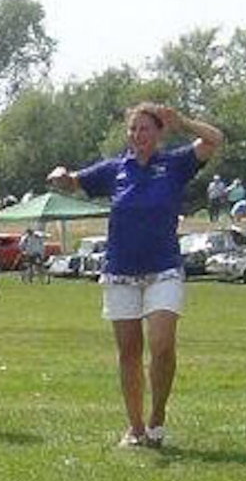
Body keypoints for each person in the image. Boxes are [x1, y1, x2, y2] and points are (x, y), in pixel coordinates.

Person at [48, 101, 224, 448]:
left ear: (158, 132)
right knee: (129, 351)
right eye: (133, 129)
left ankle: (157, 416)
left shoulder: (174, 164)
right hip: (121, 270)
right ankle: (136, 427)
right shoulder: (116, 169)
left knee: (161, 345)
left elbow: (214, 140)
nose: (138, 135)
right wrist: (61, 175)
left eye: (145, 128)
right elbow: (74, 182)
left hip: (163, 269)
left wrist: (184, 123)